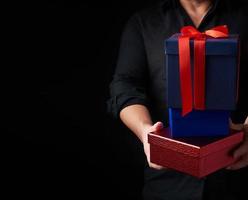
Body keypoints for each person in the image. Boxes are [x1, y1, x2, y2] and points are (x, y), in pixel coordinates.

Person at [108, 0, 248, 199]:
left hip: (237, 180)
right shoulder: (143, 22)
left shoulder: (244, 16)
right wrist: (145, 131)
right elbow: (124, 86)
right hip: (167, 185)